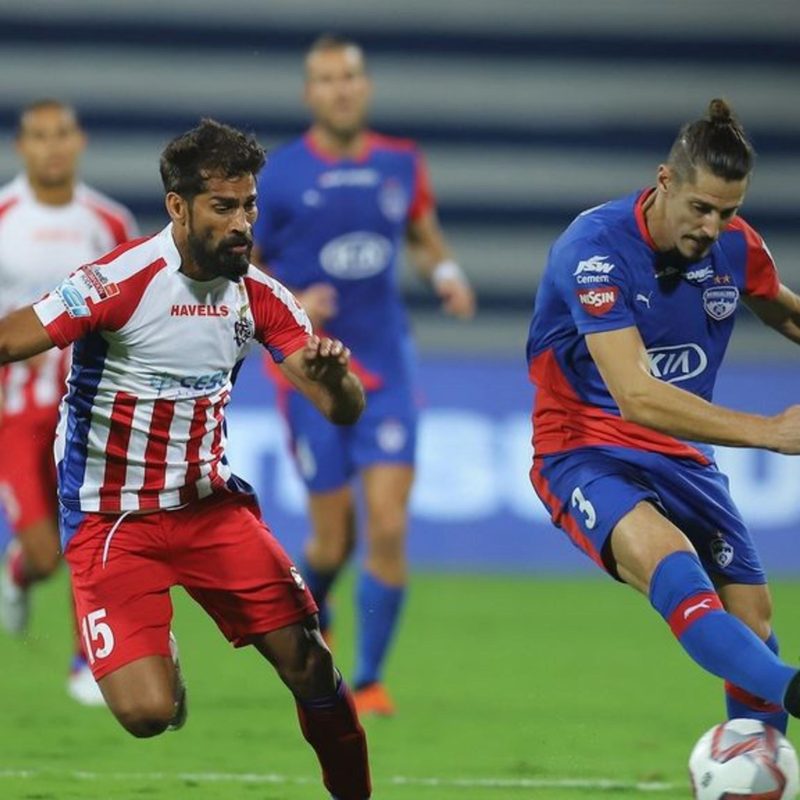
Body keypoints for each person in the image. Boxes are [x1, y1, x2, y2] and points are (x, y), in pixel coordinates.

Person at [0, 118, 372, 800]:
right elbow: (10, 338)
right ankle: (161, 664)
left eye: (249, 205)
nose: (242, 224)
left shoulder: (261, 296)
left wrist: (337, 377)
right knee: (148, 714)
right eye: (223, 207)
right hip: (113, 521)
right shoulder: (117, 282)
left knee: (310, 663)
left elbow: (342, 408)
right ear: (179, 206)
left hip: (209, 511)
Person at [526, 98, 800, 731]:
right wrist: (769, 432)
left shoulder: (736, 247)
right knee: (673, 567)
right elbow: (637, 396)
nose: (711, 227)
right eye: (700, 207)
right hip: (585, 448)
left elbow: (785, 311)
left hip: (681, 454)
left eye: (727, 212)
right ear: (665, 180)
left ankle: (760, 767)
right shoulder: (594, 250)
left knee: (753, 623)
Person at [253, 34, 476, 717]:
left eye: (349, 75)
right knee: (332, 539)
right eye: (326, 79)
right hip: (311, 375)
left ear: (365, 85)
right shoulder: (279, 176)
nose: (340, 88)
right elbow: (244, 266)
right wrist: (294, 299)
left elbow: (423, 234)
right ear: (309, 94)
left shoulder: (400, 162)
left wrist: (445, 273)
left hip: (387, 369)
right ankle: (314, 608)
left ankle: (369, 679)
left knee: (386, 525)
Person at [0, 98, 137, 705]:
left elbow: (137, 303)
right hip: (15, 413)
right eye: (39, 135)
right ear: (21, 146)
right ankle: (19, 570)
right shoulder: (4, 217)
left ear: (79, 141)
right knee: (44, 554)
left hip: (87, 410)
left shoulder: (108, 223)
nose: (52, 146)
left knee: (95, 530)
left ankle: (90, 660)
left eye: (62, 134)